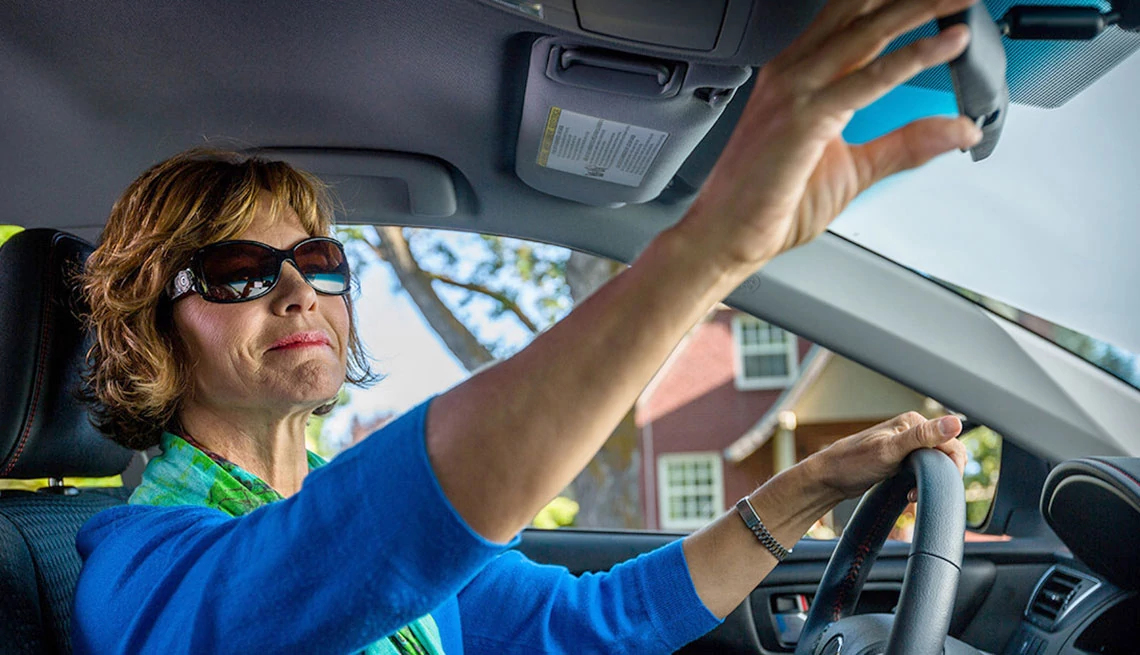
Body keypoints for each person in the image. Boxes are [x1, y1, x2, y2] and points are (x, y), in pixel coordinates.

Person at [71, 0, 980, 652]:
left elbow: (596, 623)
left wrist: (813, 482)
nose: (298, 292)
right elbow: (375, 534)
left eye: (317, 262)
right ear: (150, 326)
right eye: (238, 272)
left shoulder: (335, 504)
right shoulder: (138, 572)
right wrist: (712, 247)